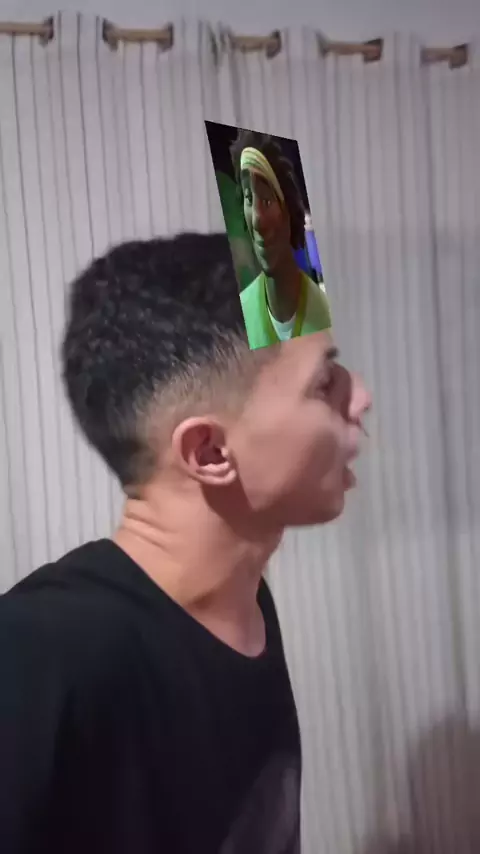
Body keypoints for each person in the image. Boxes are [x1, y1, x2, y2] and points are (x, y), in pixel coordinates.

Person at [0, 232, 371, 854]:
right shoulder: (36, 656)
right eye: (323, 382)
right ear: (209, 452)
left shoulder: (244, 601)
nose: (360, 397)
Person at [230, 130, 332, 349]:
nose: (257, 219)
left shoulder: (323, 314)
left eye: (267, 201)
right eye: (249, 199)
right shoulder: (241, 312)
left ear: (287, 213)